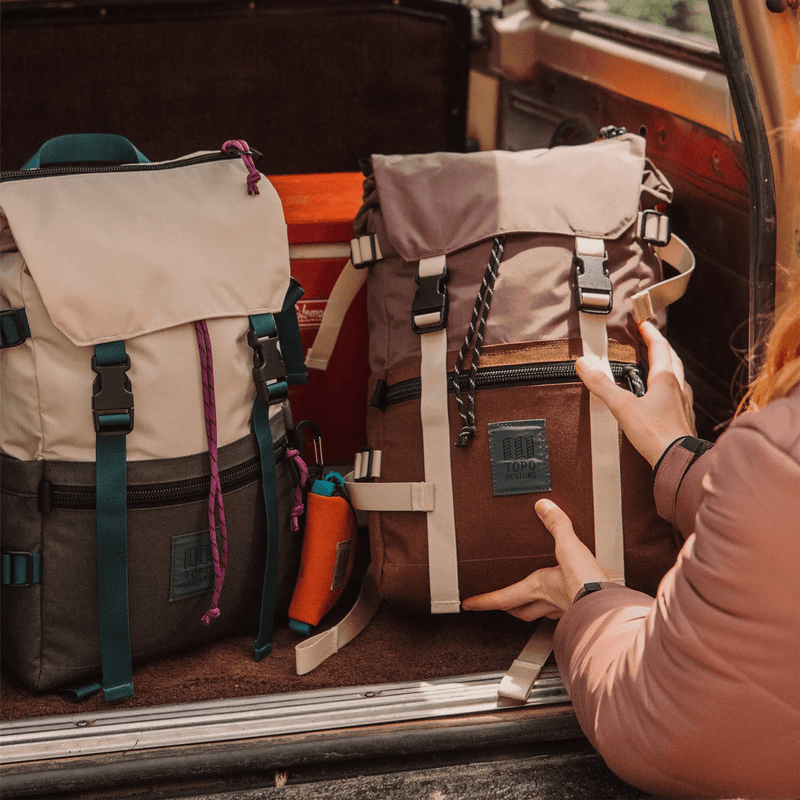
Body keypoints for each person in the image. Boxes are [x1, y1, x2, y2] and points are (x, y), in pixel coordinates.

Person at [462, 288, 800, 799]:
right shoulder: (777, 453)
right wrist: (683, 460)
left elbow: (674, 732)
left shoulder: (777, 447)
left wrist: (588, 600)